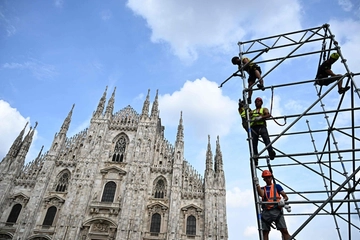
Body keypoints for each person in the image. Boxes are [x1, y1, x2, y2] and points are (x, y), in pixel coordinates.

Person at [254, 170, 291, 240]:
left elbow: (285, 197)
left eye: (269, 177)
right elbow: (261, 194)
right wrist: (257, 185)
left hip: (276, 210)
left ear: (271, 178)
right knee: (265, 232)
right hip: (266, 212)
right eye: (266, 178)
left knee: (284, 230)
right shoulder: (263, 188)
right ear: (264, 179)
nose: (268, 179)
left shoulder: (277, 186)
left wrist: (283, 200)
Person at [250, 97, 276, 166]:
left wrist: (261, 117)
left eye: (259, 101)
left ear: (261, 103)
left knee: (266, 139)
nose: (257, 103)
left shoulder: (264, 109)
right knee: (254, 144)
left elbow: (268, 115)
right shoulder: (252, 111)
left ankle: (271, 152)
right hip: (254, 128)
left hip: (261, 126)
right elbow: (247, 116)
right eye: (256, 102)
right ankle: (255, 158)